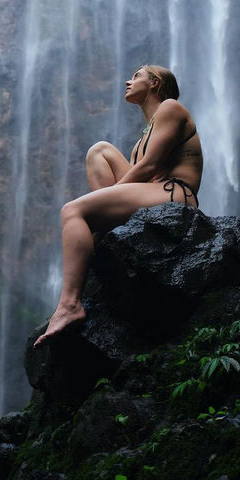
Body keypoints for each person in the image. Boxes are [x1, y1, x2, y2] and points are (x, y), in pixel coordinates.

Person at [34, 64, 203, 347]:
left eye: (136, 76)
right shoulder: (144, 136)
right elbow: (143, 170)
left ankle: (70, 304)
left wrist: (99, 202)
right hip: (154, 192)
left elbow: (148, 167)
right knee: (100, 150)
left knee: (73, 210)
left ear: (155, 83)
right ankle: (106, 225)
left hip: (176, 195)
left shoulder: (171, 107)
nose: (128, 80)